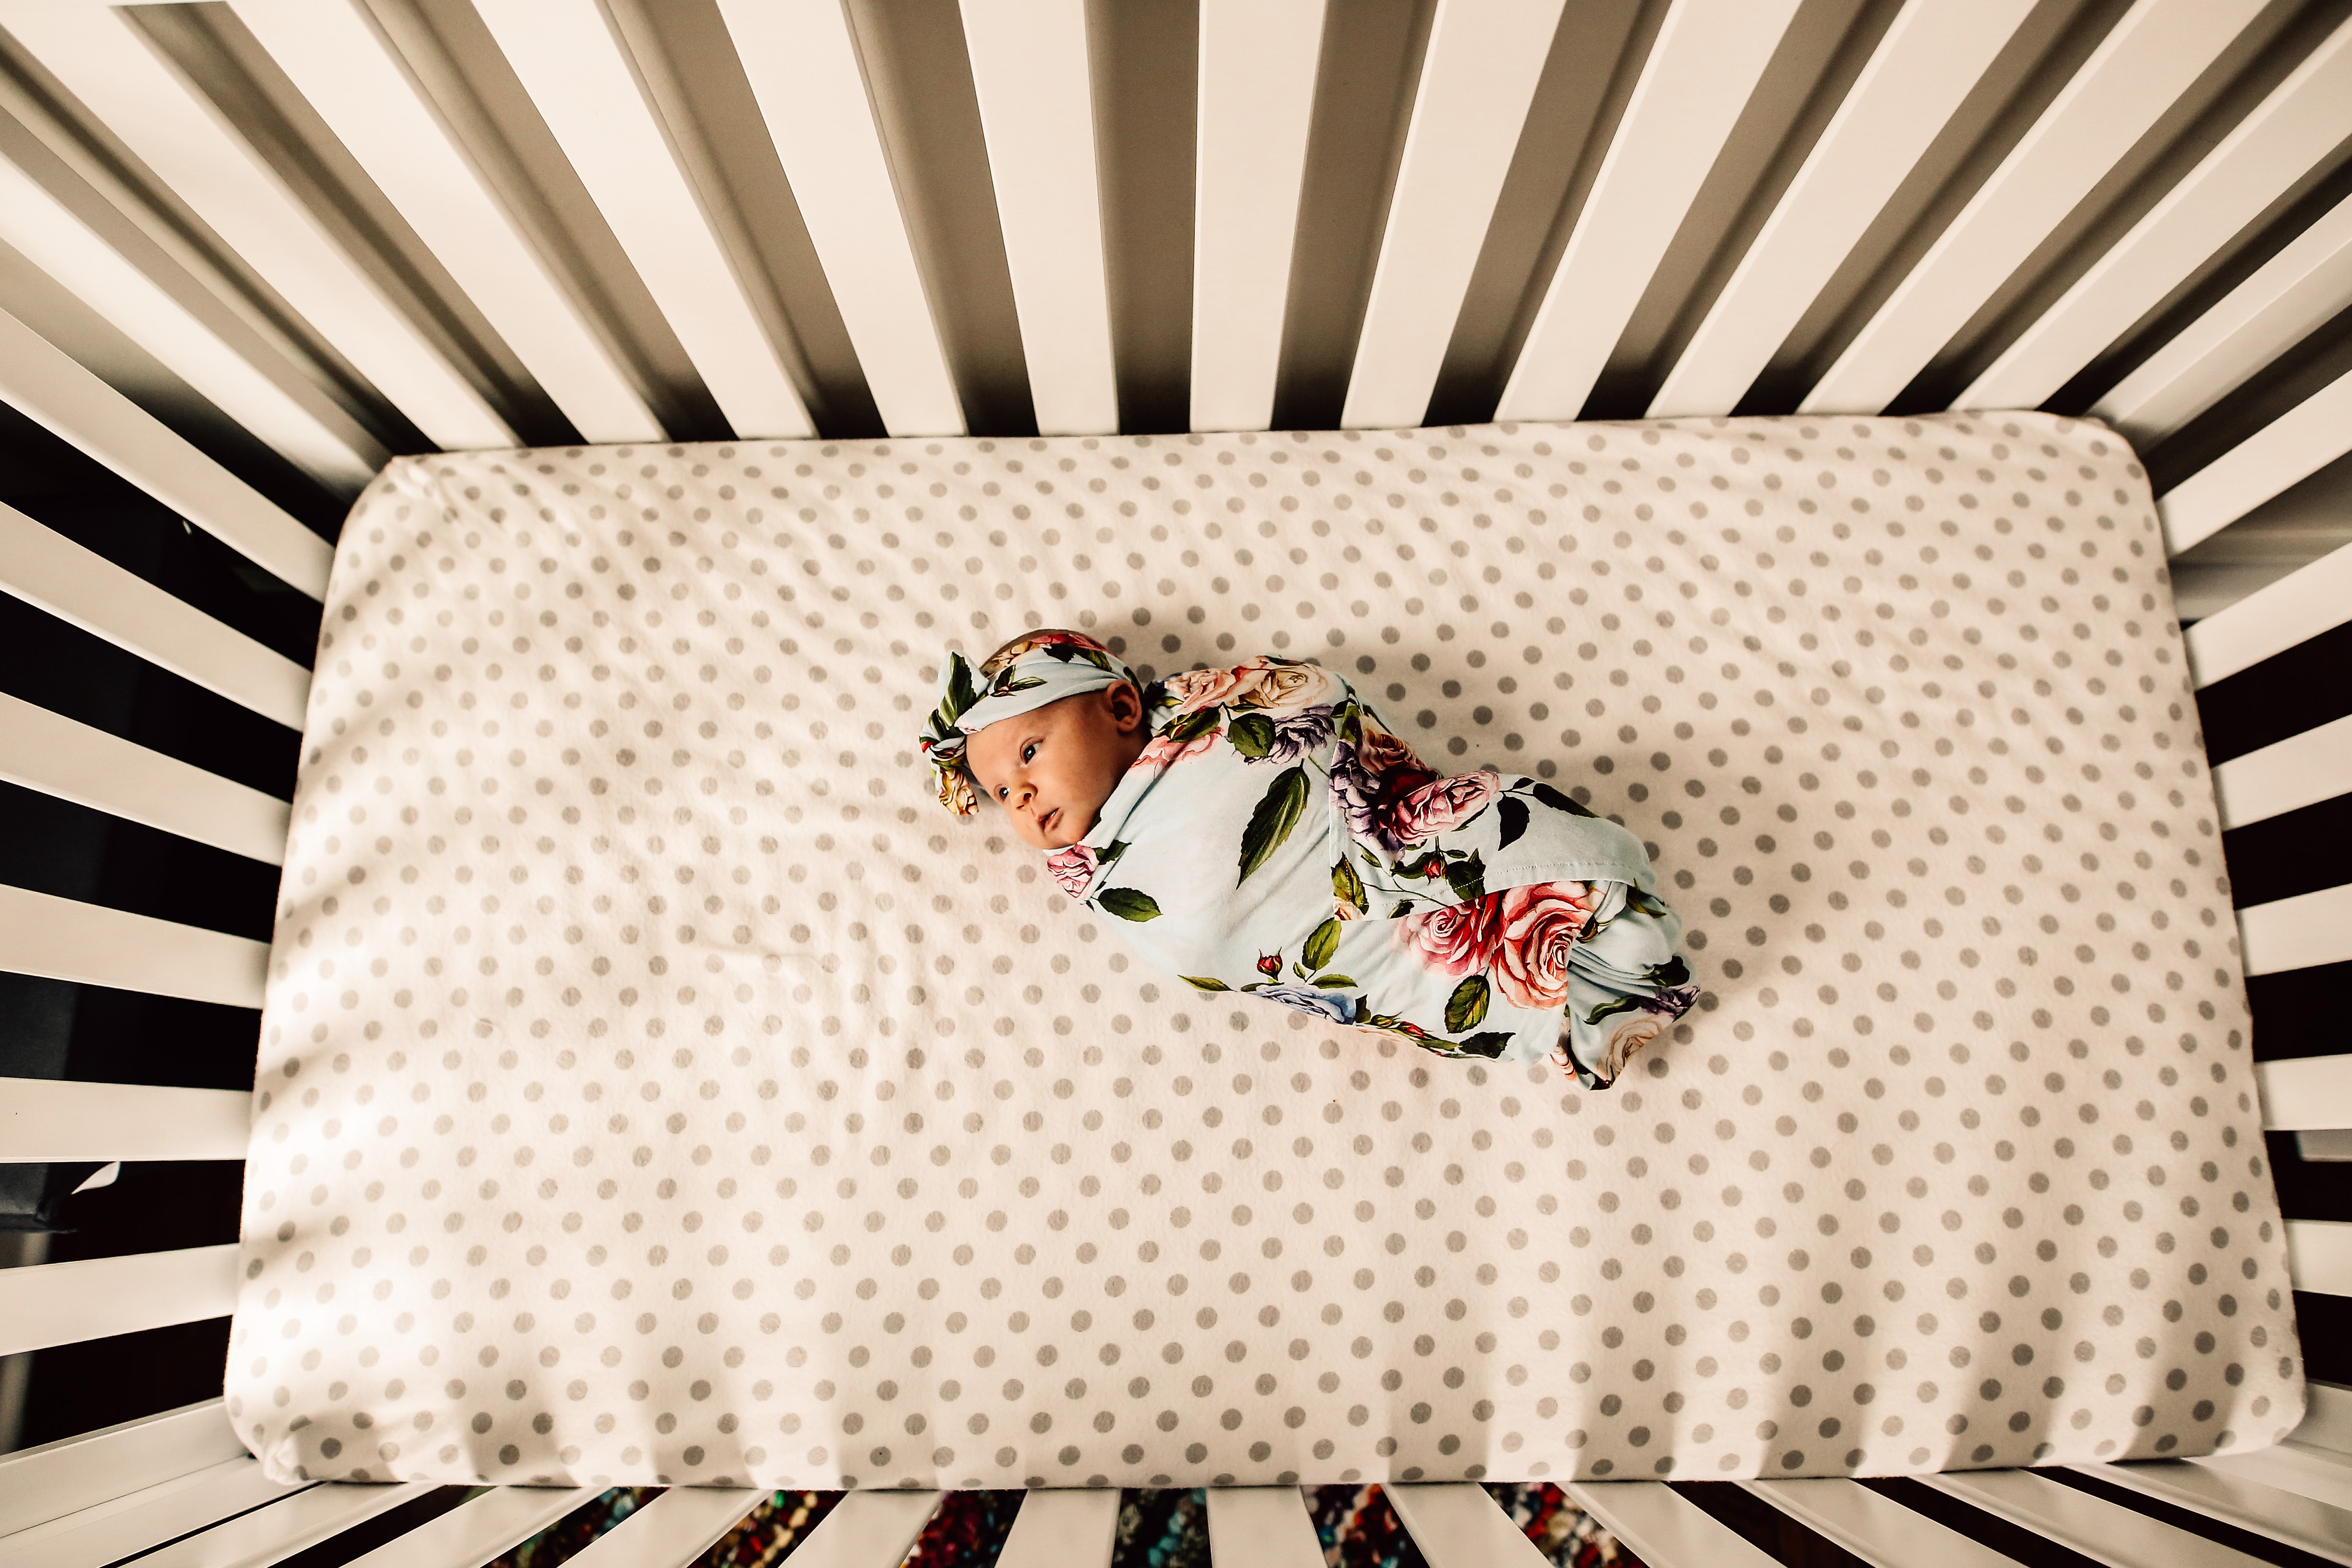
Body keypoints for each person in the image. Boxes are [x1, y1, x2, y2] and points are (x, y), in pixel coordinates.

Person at [916, 629, 1699, 1088]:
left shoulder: (1220, 718)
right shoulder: (1101, 873)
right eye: (1001, 791)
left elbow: (1312, 702)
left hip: (1368, 852)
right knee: (1418, 972)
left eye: (1029, 752)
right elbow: (1199, 942)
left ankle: (1571, 914)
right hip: (1332, 952)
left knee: (1456, 866)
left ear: (1121, 708)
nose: (1020, 794)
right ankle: (1563, 997)